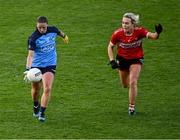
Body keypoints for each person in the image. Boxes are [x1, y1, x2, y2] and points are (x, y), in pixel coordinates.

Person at [107, 12, 162, 115]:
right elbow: (110, 47)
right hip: (122, 59)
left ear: (133, 24)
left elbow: (153, 36)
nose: (124, 25)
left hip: (136, 59)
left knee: (133, 82)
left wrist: (158, 33)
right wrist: (112, 60)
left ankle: (131, 107)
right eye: (123, 23)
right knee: (124, 85)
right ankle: (132, 89)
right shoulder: (117, 34)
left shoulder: (140, 31)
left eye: (127, 23)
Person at [24, 16, 69, 122]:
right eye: (39, 27)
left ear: (47, 25)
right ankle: (36, 105)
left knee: (47, 88)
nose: (41, 30)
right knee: (36, 90)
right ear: (37, 26)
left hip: (50, 64)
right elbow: (30, 55)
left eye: (43, 27)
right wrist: (28, 69)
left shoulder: (52, 30)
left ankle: (42, 113)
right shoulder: (33, 38)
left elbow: (59, 32)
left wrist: (64, 36)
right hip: (36, 66)